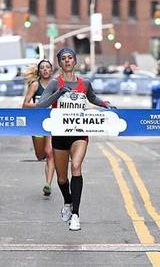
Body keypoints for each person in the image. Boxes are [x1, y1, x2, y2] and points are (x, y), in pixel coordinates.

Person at [35, 47, 115, 231]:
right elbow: (41, 104)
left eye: (70, 57)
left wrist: (104, 103)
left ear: (75, 61)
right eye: (63, 58)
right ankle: (68, 202)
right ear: (60, 63)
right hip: (59, 134)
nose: (67, 61)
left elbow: (92, 97)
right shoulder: (55, 83)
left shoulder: (84, 83)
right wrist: (58, 94)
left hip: (79, 132)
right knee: (62, 179)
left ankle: (76, 215)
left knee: (76, 166)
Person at [22, 59, 55, 196]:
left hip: (53, 122)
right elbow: (25, 104)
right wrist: (40, 105)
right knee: (40, 154)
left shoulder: (56, 84)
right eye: (43, 68)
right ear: (39, 71)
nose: (45, 70)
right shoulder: (35, 85)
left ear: (51, 70)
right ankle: (40, 155)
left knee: (50, 153)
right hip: (38, 123)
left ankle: (48, 184)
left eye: (48, 67)